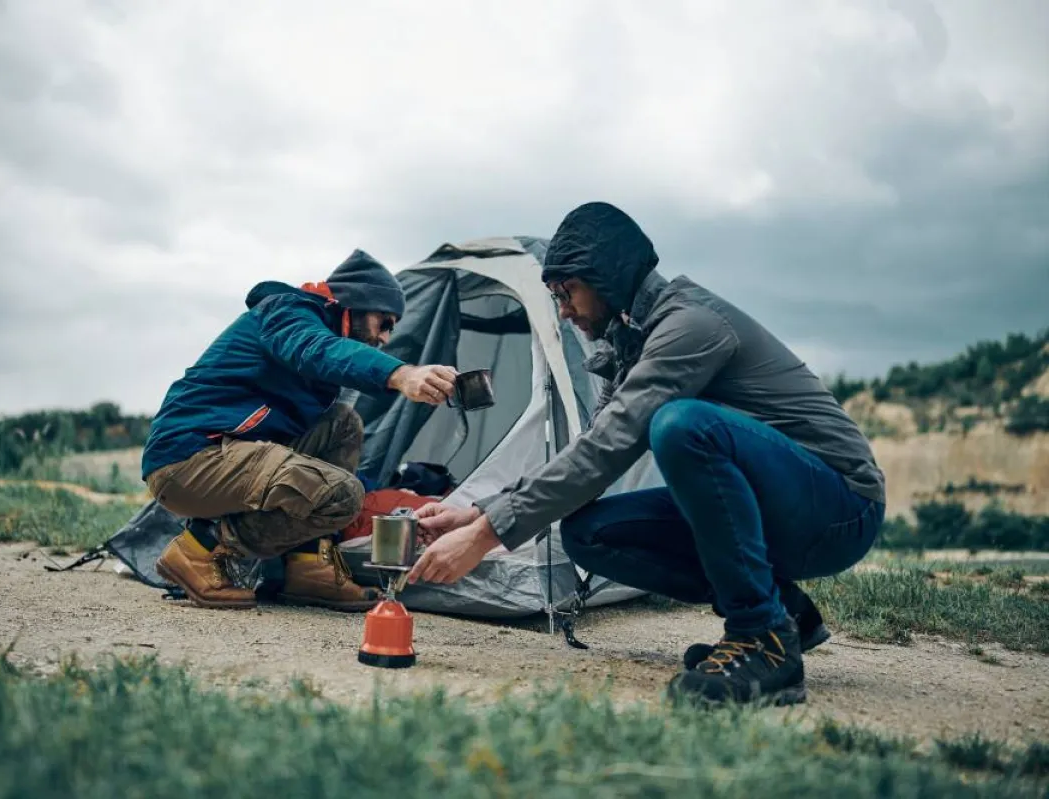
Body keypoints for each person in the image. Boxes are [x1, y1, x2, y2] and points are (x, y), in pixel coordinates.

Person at [410, 202, 886, 706]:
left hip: (838, 508)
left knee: (682, 427)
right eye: (555, 297)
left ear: (607, 276)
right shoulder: (632, 339)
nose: (564, 310)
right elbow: (586, 452)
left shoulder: (691, 326)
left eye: (567, 293)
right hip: (780, 509)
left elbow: (610, 448)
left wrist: (483, 539)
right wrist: (478, 513)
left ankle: (762, 638)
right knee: (590, 532)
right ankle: (783, 611)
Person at [142, 250, 457, 611]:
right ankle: (200, 547)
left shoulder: (317, 333)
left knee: (343, 424)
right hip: (189, 458)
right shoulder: (286, 311)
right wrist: (401, 374)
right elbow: (316, 348)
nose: (386, 338)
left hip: (233, 454)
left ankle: (308, 566)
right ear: (355, 305)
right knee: (341, 495)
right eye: (384, 323)